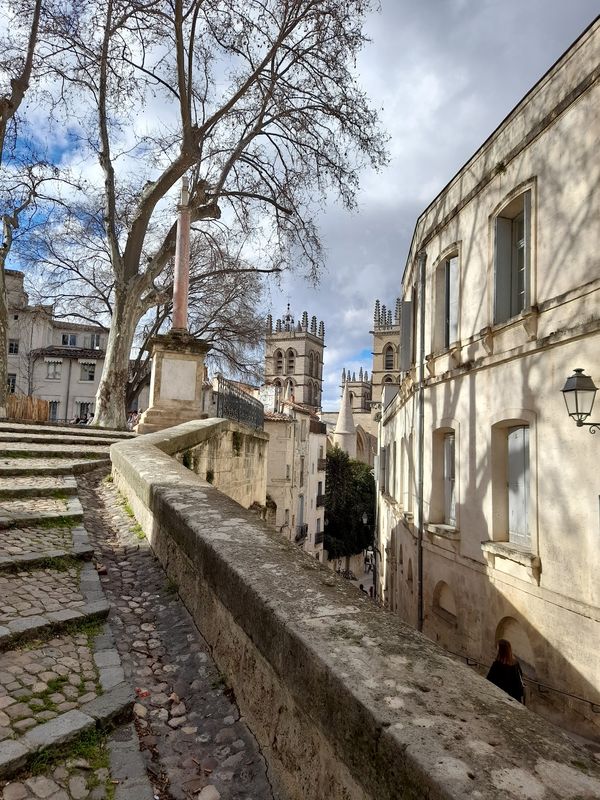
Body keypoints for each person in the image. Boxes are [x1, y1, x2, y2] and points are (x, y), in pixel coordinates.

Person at [486, 639, 525, 703]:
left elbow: (489, 680)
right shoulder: (515, 663)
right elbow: (519, 677)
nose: (496, 649)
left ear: (501, 650)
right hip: (515, 697)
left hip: (501, 696)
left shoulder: (497, 664)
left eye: (498, 647)